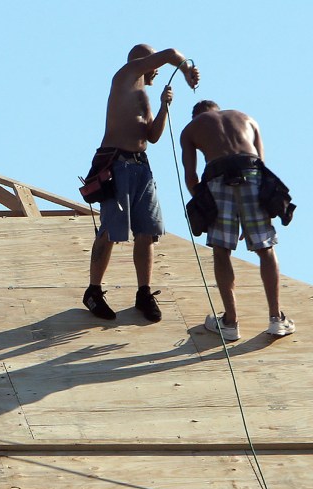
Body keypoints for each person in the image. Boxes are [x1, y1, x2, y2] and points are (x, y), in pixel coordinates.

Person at [83, 44, 200, 322]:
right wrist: (185, 69)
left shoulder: (143, 95)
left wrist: (163, 107)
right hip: (117, 164)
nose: (157, 71)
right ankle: (94, 291)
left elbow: (153, 135)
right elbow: (172, 53)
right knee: (111, 229)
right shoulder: (125, 76)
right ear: (143, 63)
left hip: (140, 165)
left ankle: (143, 293)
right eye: (153, 64)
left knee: (147, 231)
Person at [180, 100, 296, 340]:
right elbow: (262, 166)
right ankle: (276, 319)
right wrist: (248, 211)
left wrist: (207, 206)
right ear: (217, 109)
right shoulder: (246, 117)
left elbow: (191, 178)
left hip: (217, 178)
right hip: (252, 173)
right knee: (265, 247)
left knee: (221, 251)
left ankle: (230, 323)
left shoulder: (191, 129)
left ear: (196, 116)